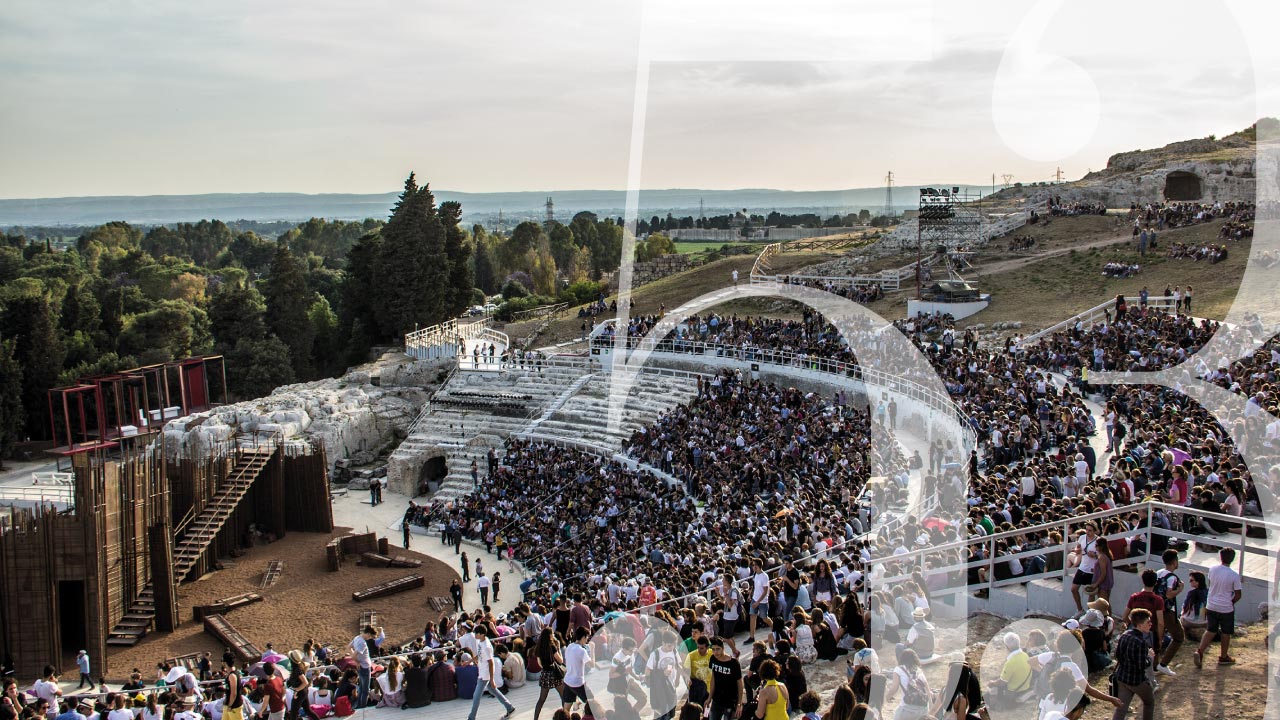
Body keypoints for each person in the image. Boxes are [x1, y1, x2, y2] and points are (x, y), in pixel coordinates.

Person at [1194, 547, 1242, 668]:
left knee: (1210, 630)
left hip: (1211, 605)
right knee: (1226, 632)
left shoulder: (1213, 569)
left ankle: (1199, 651)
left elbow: (1211, 584)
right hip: (1225, 607)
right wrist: (1231, 602)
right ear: (1232, 559)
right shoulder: (1234, 575)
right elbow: (1238, 595)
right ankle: (1223, 656)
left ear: (1220, 557)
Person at [1111, 609, 1156, 720]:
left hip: (1122, 678)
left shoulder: (1124, 635)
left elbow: (1117, 655)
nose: (1151, 624)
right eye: (1148, 622)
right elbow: (1142, 665)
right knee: (1149, 702)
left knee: (1121, 709)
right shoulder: (1141, 642)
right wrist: (1149, 657)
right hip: (1136, 681)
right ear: (1140, 625)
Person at [467, 625, 516, 720]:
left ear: (481, 634)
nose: (475, 635)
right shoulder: (481, 641)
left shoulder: (487, 646)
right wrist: (469, 661)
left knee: (476, 696)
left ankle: (471, 718)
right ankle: (509, 707)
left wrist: (492, 679)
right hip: (482, 672)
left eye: (476, 633)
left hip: (485, 674)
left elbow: (491, 663)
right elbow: (480, 655)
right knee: (493, 690)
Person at [1154, 550, 1185, 675]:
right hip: (1167, 611)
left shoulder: (1159, 573)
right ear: (1174, 562)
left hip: (1156, 609)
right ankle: (1163, 664)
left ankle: (1154, 666)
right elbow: (1169, 594)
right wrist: (1180, 589)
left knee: (1156, 638)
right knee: (1178, 637)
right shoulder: (1172, 577)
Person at [706, 636, 743, 720]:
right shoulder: (713, 659)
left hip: (731, 700)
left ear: (723, 648)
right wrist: (709, 697)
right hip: (717, 699)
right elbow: (713, 679)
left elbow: (740, 683)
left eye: (718, 649)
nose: (715, 652)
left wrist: (739, 704)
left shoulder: (733, 662)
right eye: (713, 649)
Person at [561, 627, 594, 718]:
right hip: (578, 683)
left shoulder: (570, 646)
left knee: (566, 708)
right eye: (587, 637)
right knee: (592, 703)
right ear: (583, 637)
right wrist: (592, 649)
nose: (587, 639)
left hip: (568, 681)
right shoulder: (581, 651)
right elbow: (592, 665)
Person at [347, 625, 374, 709]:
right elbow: (353, 655)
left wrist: (356, 661)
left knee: (362, 687)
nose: (369, 638)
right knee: (365, 689)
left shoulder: (357, 637)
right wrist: (356, 661)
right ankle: (363, 706)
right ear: (368, 633)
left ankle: (359, 704)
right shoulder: (362, 642)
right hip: (365, 667)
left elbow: (348, 647)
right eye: (370, 636)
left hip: (361, 666)